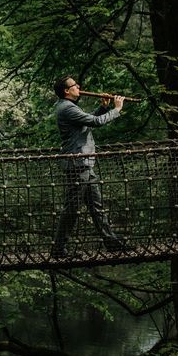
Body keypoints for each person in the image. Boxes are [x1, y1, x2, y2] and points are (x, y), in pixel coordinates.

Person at [50, 75, 130, 258]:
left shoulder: (70, 107)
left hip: (84, 164)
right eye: (74, 85)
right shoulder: (67, 108)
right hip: (77, 164)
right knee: (71, 208)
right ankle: (58, 250)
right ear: (66, 91)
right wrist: (117, 109)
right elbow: (95, 122)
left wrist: (103, 107)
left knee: (96, 206)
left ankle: (112, 244)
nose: (79, 87)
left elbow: (87, 122)